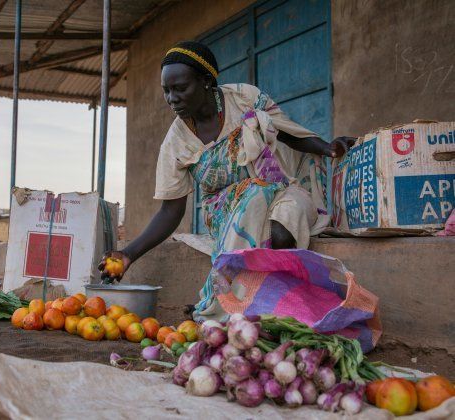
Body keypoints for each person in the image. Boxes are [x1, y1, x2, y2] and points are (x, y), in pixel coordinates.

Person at [99, 41, 355, 321]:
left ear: (206, 81)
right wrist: (127, 254)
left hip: (279, 188)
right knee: (255, 196)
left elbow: (285, 132)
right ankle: (231, 306)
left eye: (180, 88)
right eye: (166, 91)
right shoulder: (176, 144)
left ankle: (263, 302)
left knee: (282, 233)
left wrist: (326, 148)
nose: (172, 98)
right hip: (226, 210)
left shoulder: (244, 98)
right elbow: (171, 211)